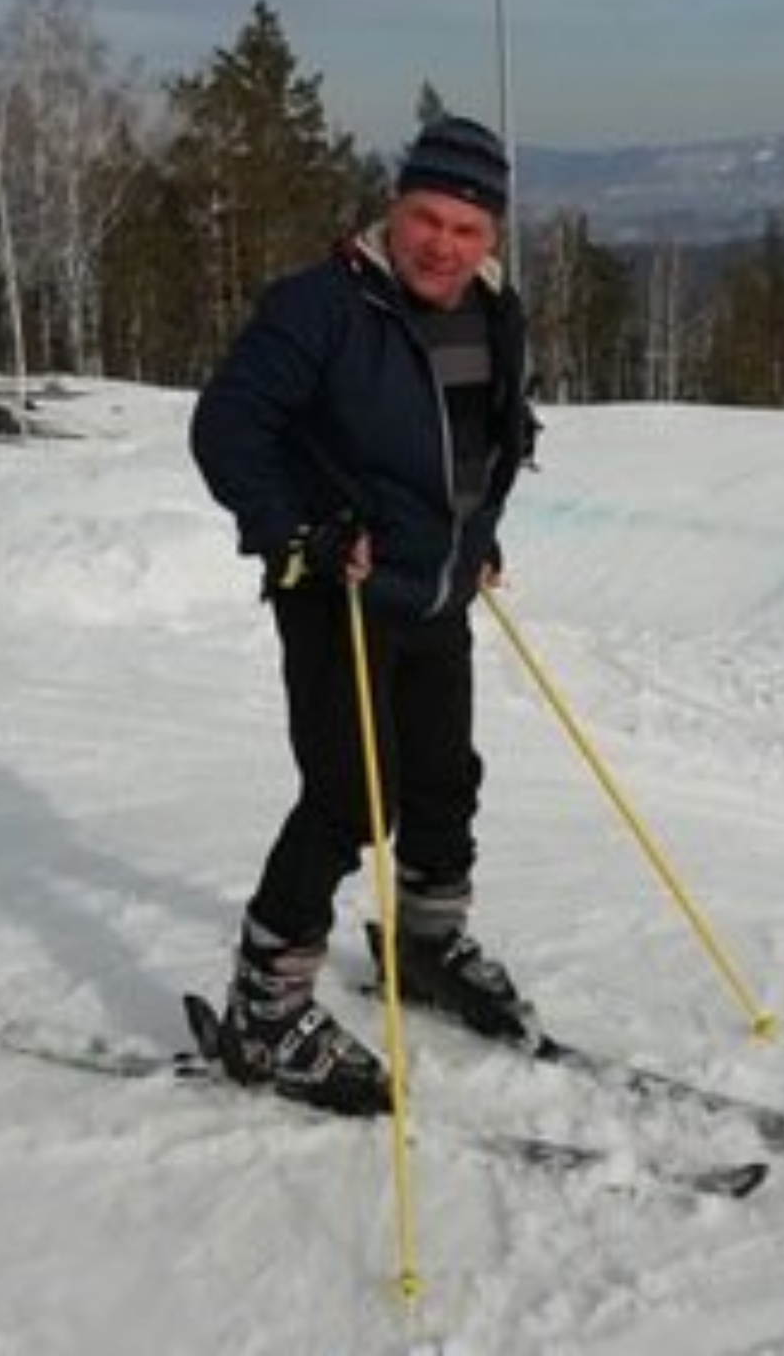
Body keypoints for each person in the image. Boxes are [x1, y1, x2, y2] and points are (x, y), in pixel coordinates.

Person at [190, 115, 537, 1114]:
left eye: (468, 229)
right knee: (353, 795)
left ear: (493, 235)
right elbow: (227, 427)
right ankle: (265, 1006)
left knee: (442, 777)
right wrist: (297, 530)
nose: (444, 245)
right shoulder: (322, 306)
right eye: (428, 218)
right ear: (396, 207)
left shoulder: (495, 310)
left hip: (437, 583)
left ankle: (423, 945)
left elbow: (485, 439)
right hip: (335, 588)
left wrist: (478, 532)